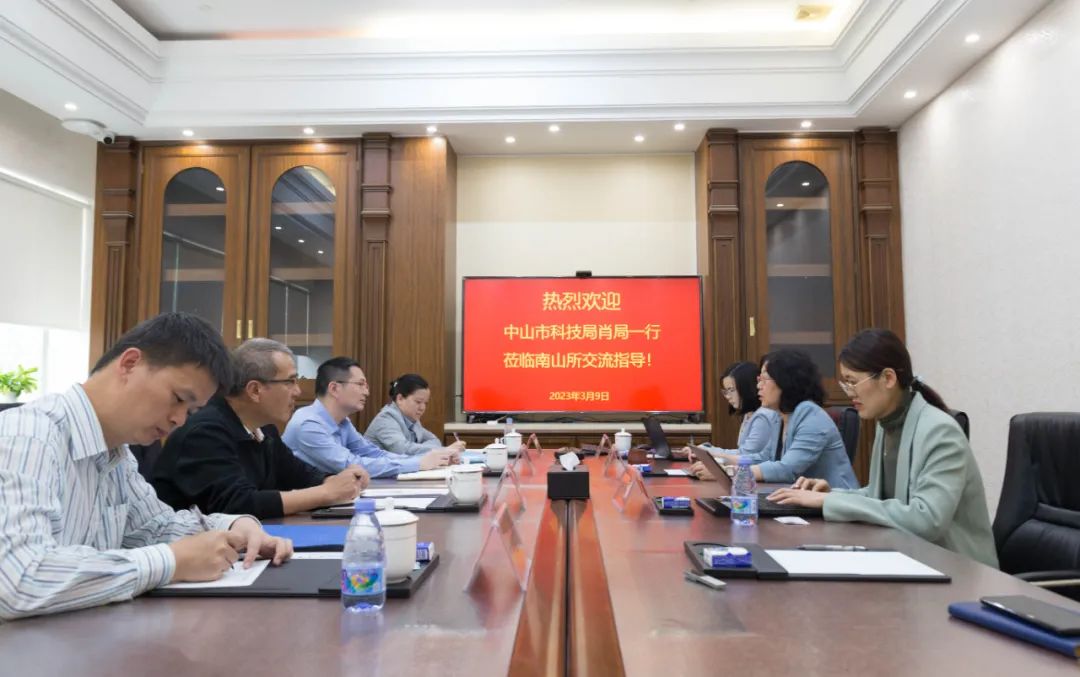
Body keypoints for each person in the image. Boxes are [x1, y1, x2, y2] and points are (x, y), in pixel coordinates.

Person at [0, 313, 294, 620]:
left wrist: (233, 528)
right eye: (178, 398)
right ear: (130, 364)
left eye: (191, 410)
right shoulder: (28, 436)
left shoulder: (118, 453)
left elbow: (153, 527)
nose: (179, 419)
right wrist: (170, 562)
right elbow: (17, 580)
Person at [768, 329, 998, 567]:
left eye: (853, 382)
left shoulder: (940, 431)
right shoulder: (886, 424)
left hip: (958, 569)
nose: (850, 393)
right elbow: (880, 496)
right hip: (912, 557)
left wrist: (828, 503)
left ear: (888, 378)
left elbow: (927, 520)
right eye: (845, 383)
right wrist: (830, 495)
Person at [152, 339, 368, 519]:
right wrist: (325, 493)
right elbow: (237, 504)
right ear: (255, 390)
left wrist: (334, 481)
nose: (298, 391)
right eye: (290, 381)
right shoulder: (205, 433)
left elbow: (297, 473)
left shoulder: (264, 429)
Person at [690, 349, 858, 489]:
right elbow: (762, 458)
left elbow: (787, 469)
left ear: (786, 381)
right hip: (799, 500)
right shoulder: (780, 416)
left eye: (764, 379)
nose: (758, 386)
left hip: (834, 507)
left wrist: (729, 472)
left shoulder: (810, 416)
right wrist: (718, 463)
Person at [283, 358, 457, 478]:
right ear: (334, 388)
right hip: (302, 511)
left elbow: (373, 453)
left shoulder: (343, 421)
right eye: (360, 384)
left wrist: (430, 458)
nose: (366, 392)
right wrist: (419, 463)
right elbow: (352, 465)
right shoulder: (309, 425)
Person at [676, 360, 780, 463]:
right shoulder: (749, 414)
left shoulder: (763, 416)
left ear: (746, 388)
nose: (728, 396)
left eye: (731, 390)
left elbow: (745, 455)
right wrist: (705, 449)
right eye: (725, 391)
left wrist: (707, 451)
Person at [365, 373, 465, 457]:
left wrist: (420, 448)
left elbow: (434, 440)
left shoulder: (411, 419)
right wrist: (443, 450)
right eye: (418, 402)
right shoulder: (385, 419)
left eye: (425, 403)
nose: (422, 408)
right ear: (400, 399)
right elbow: (403, 450)